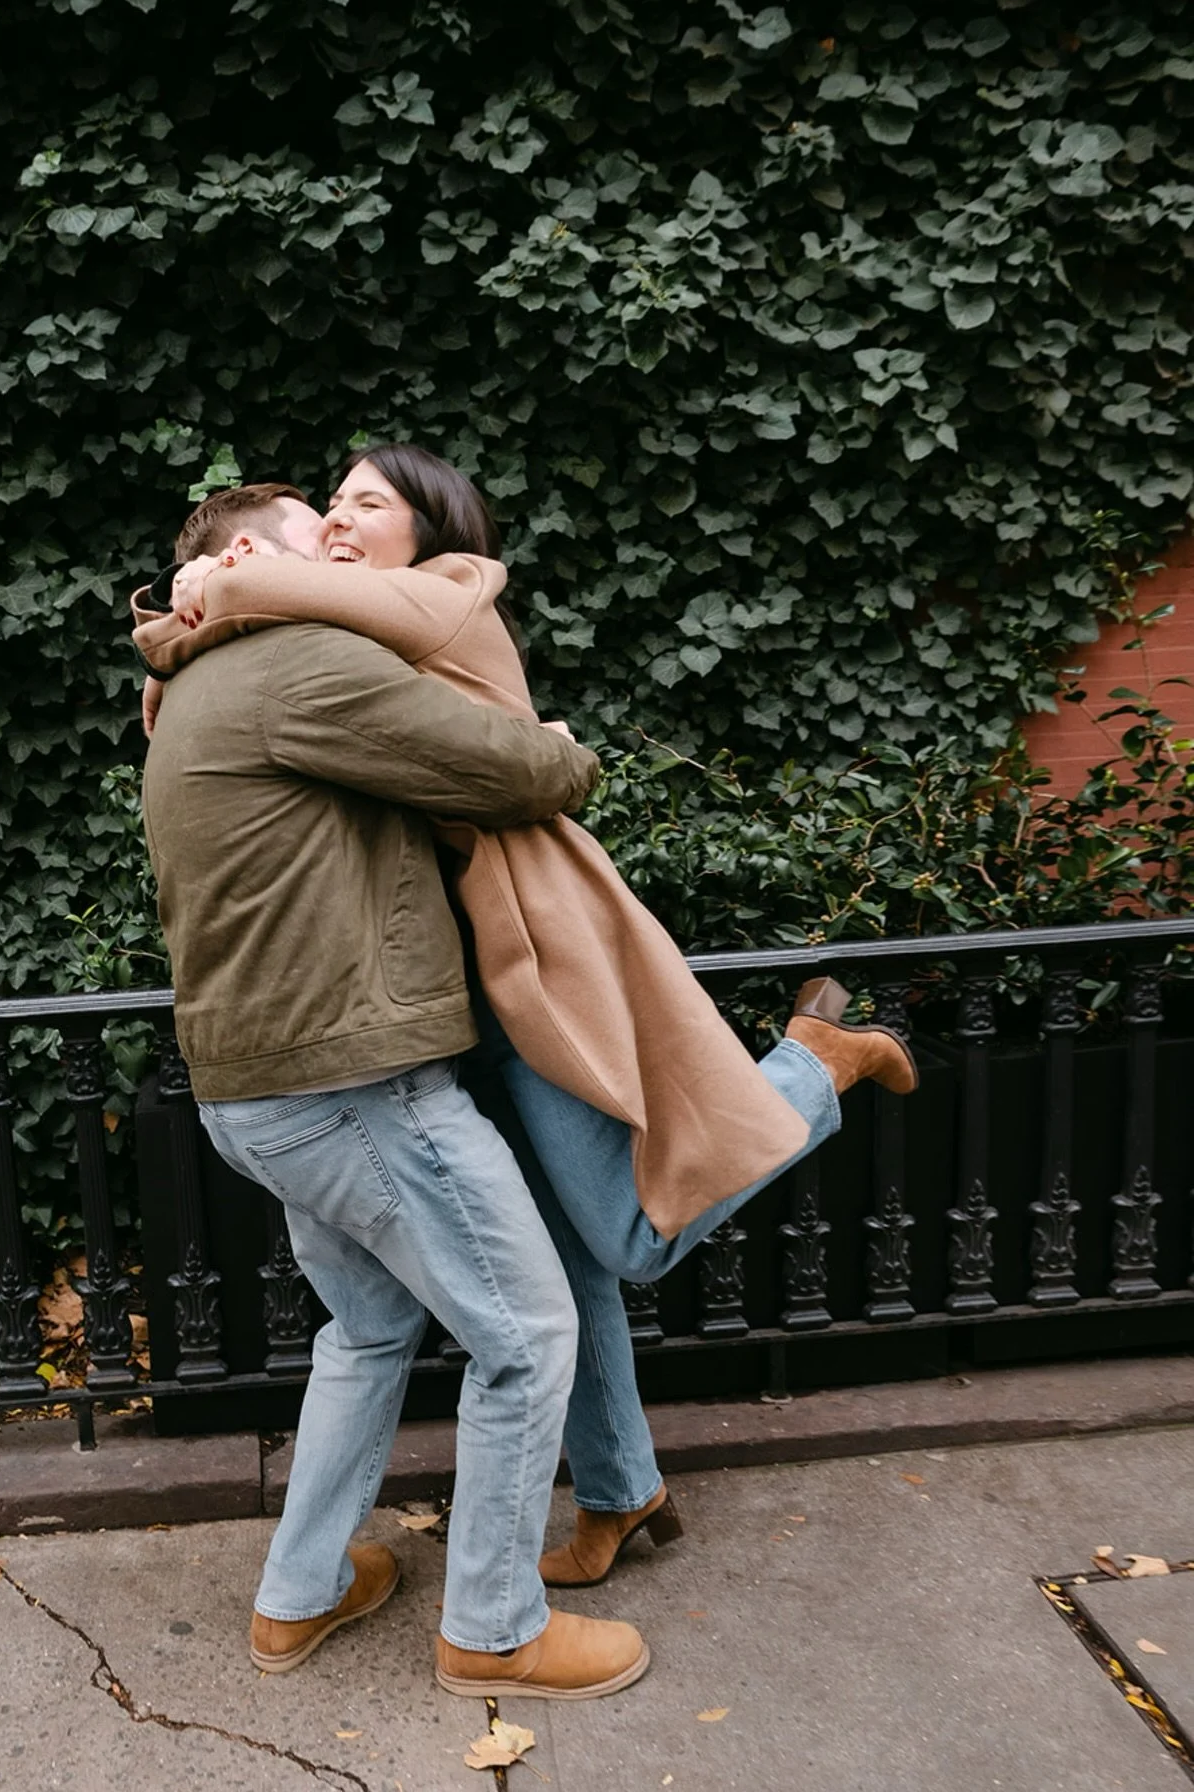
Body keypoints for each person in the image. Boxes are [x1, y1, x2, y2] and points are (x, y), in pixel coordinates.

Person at [136, 448, 918, 1588]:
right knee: (557, 1261)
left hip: (523, 963)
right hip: (437, 997)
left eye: (365, 504)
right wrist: (182, 637)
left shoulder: (443, 590)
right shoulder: (330, 634)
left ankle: (810, 1066)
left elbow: (515, 764)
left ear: (427, 529)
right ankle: (619, 1487)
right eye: (331, 507)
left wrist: (212, 592)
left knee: (625, 1237)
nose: (342, 524)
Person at [140, 480, 651, 1699]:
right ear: (248, 555)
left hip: (256, 1091)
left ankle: (299, 1595)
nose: (335, 546)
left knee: (368, 1332)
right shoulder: (299, 663)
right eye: (315, 530)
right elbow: (517, 772)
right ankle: (494, 1630)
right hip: (356, 1088)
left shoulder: (195, 681)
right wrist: (565, 744)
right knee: (528, 1339)